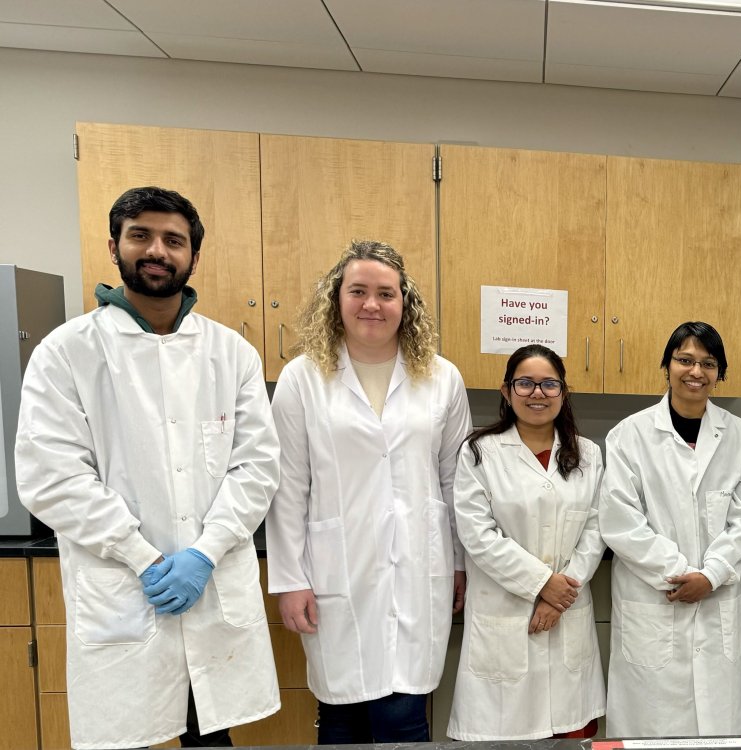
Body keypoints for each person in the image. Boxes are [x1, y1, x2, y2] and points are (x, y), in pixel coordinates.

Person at [15, 186, 280, 749]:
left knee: (210, 735)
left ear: (193, 257)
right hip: (124, 588)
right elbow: (51, 476)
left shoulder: (232, 352)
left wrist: (204, 554)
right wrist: (145, 558)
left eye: (173, 240)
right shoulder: (68, 351)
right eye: (141, 235)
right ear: (114, 246)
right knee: (127, 734)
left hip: (208, 585)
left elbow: (256, 466)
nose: (157, 250)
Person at [264, 240, 471, 744]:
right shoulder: (302, 378)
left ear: (406, 304)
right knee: (341, 711)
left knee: (403, 714)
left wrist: (461, 562)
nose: (372, 305)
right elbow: (287, 484)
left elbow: (455, 482)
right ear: (337, 299)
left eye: (386, 293)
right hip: (337, 569)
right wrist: (289, 578)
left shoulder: (441, 378)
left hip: (421, 567)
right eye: (358, 291)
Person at [599, 321, 741, 737]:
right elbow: (620, 521)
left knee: (725, 732)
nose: (696, 372)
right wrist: (679, 573)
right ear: (667, 365)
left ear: (719, 373)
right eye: (685, 360)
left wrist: (710, 575)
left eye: (708, 363)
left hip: (721, 600)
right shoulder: (629, 435)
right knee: (652, 732)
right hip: (657, 599)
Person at [448, 345, 605, 740]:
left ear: (563, 393)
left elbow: (597, 528)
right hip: (506, 614)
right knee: (507, 735)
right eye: (526, 383)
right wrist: (542, 583)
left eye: (549, 384)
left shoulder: (588, 454)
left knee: (571, 733)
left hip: (566, 613)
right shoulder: (478, 452)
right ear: (506, 391)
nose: (538, 393)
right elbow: (478, 535)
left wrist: (559, 594)